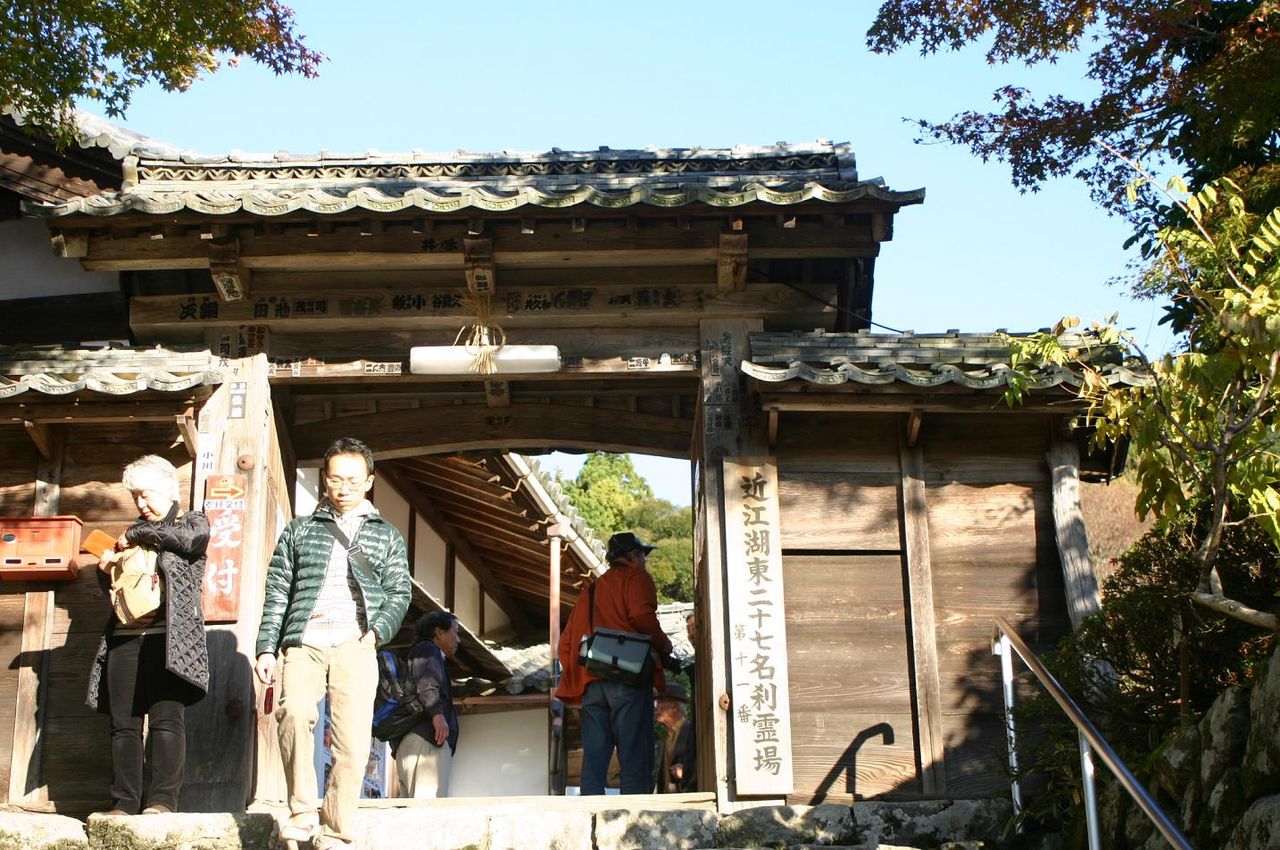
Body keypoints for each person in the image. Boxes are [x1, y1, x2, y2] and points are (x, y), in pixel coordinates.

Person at [254, 437, 411, 849]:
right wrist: (267, 647)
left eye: (354, 480)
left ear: (370, 481)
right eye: (336, 479)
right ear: (324, 480)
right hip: (303, 639)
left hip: (355, 642)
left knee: (354, 742)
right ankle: (303, 811)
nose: (344, 488)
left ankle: (337, 830)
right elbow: (277, 591)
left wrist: (376, 631)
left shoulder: (387, 535)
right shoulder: (299, 531)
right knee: (294, 713)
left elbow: (400, 592)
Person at [86, 455, 210, 815]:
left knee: (166, 720)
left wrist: (135, 533)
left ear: (170, 488)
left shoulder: (192, 522)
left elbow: (190, 542)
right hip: (124, 637)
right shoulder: (131, 535)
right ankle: (123, 803)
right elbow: (115, 592)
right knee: (123, 725)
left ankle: (162, 802)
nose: (141, 504)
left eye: (146, 494)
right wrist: (104, 570)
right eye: (136, 497)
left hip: (170, 640)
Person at [556, 531, 675, 794]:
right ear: (632, 557)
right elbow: (642, 618)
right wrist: (665, 646)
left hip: (593, 681)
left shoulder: (592, 590)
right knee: (634, 754)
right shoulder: (637, 578)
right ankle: (634, 824)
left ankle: (590, 818)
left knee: (594, 760)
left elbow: (566, 645)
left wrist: (580, 677)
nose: (645, 561)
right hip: (628, 678)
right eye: (643, 555)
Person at [395, 610, 460, 797]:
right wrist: (438, 716)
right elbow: (427, 683)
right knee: (426, 807)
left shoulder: (420, 651)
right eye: (455, 632)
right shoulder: (428, 650)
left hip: (414, 741)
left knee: (414, 806)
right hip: (426, 741)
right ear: (439, 632)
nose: (458, 639)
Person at [655, 682, 695, 793]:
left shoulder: (692, 731)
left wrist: (685, 772)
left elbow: (703, 765)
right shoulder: (664, 737)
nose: (656, 707)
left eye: (661, 702)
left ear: (675, 707)